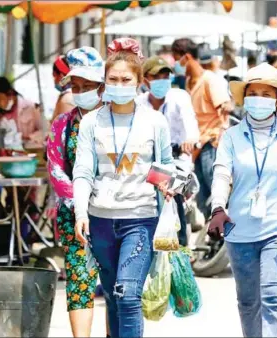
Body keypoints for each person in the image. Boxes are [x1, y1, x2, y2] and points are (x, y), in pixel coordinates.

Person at [72, 38, 174, 338]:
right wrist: (81, 212)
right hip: (100, 221)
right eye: (112, 79)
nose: (119, 84)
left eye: (125, 79)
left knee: (128, 294)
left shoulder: (155, 122)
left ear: (139, 82)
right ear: (103, 83)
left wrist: (167, 183)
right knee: (115, 299)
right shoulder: (91, 122)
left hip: (140, 219)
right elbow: (83, 171)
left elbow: (165, 163)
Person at [209, 63, 277, 338]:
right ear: (245, 97)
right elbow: (221, 174)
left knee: (275, 299)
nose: (260, 98)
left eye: (267, 94)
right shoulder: (231, 137)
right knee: (248, 303)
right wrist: (218, 206)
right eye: (254, 92)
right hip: (238, 231)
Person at [47, 47, 106, 338]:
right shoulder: (63, 124)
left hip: (115, 213)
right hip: (74, 215)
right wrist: (78, 201)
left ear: (102, 87)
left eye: (88, 86)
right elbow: (56, 168)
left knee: (117, 285)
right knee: (80, 281)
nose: (80, 92)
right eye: (76, 86)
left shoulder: (117, 120)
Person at [136, 55, 200, 246]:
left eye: (166, 76)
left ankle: (178, 245)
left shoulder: (179, 97)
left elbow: (191, 123)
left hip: (176, 159)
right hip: (146, 160)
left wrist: (190, 139)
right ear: (145, 79)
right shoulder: (138, 102)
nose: (162, 81)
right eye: (156, 76)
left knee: (173, 192)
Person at [177, 38, 232, 219]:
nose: (176, 64)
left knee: (215, 187)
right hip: (196, 145)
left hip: (211, 142)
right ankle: (212, 232)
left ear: (186, 57)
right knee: (200, 193)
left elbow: (225, 109)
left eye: (177, 59)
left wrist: (222, 135)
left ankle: (225, 226)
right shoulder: (188, 83)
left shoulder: (210, 80)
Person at [0, 77, 45, 149]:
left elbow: (46, 131)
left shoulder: (32, 107)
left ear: (10, 93)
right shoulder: (0, 116)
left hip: (31, 151)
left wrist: (29, 137)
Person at [52, 55, 75, 121]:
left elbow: (63, 129)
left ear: (61, 76)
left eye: (54, 75)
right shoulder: (75, 94)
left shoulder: (66, 98)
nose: (54, 80)